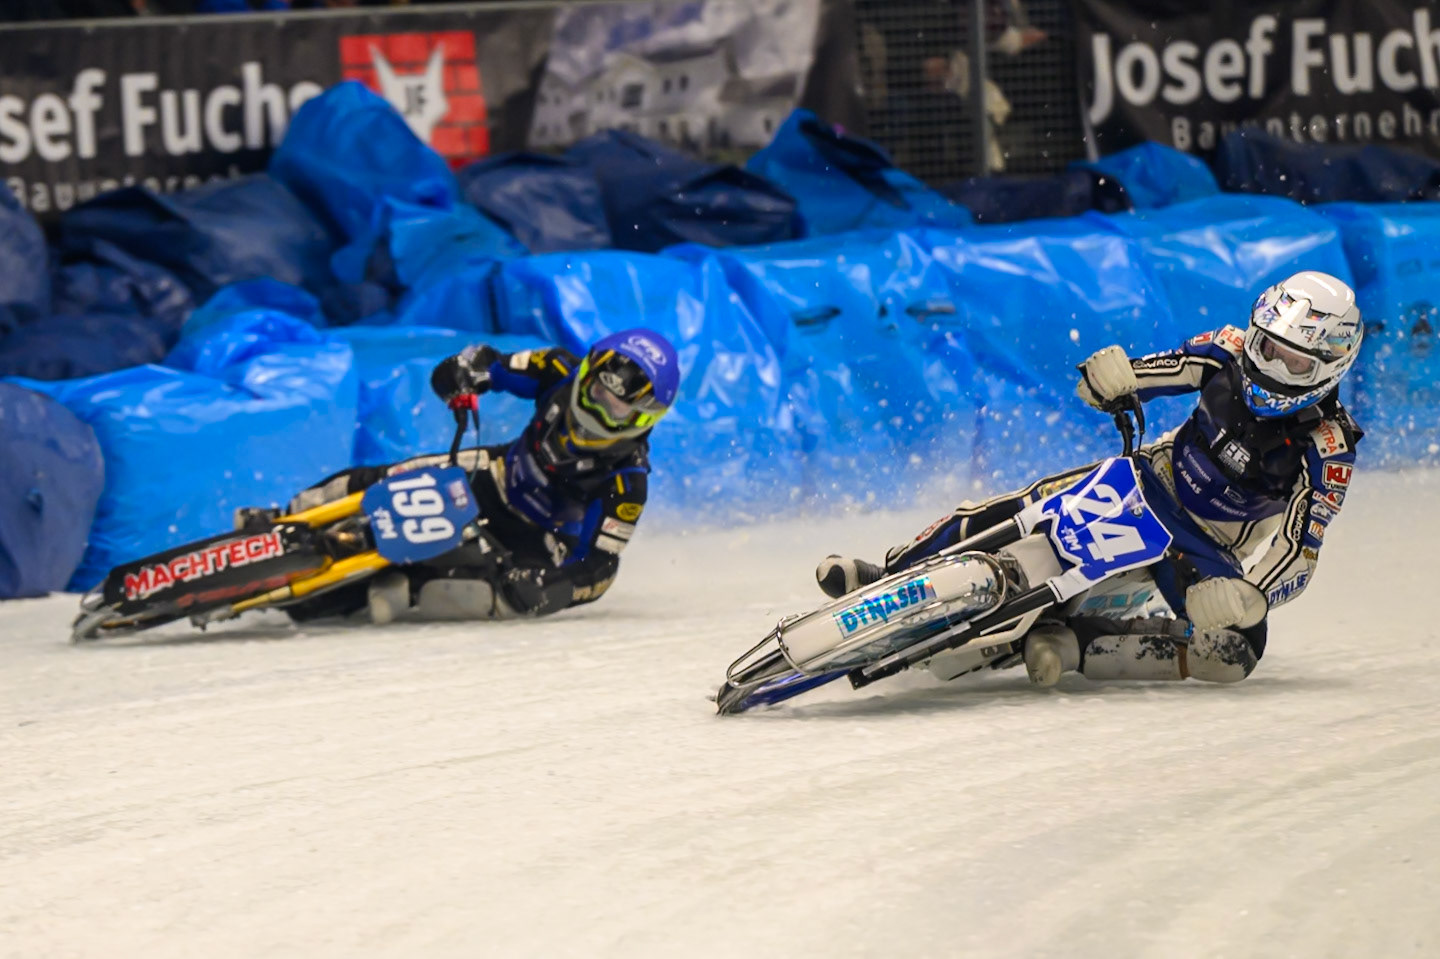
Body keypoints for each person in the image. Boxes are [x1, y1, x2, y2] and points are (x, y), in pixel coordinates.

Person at [816, 270, 1365, 686]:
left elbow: (1301, 547)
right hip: (1149, 477)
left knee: (1235, 654)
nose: (1270, 364)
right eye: (1268, 344)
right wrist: (1115, 378)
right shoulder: (1228, 351)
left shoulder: (1329, 445)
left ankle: (1080, 644)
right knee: (1027, 503)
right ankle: (884, 571)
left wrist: (1250, 596)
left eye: (1292, 361)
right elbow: (1163, 369)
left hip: (1205, 544)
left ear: (1329, 366)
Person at [261, 328, 678, 624]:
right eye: (597, 391)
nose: (599, 407)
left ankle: (392, 589)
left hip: (537, 539)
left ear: (643, 419)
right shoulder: (557, 368)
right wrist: (463, 373)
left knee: (495, 595)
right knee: (389, 475)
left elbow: (601, 567)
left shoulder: (628, 481)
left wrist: (556, 586)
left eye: (617, 408)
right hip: (496, 475)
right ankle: (284, 519)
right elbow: (490, 363)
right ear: (585, 373)